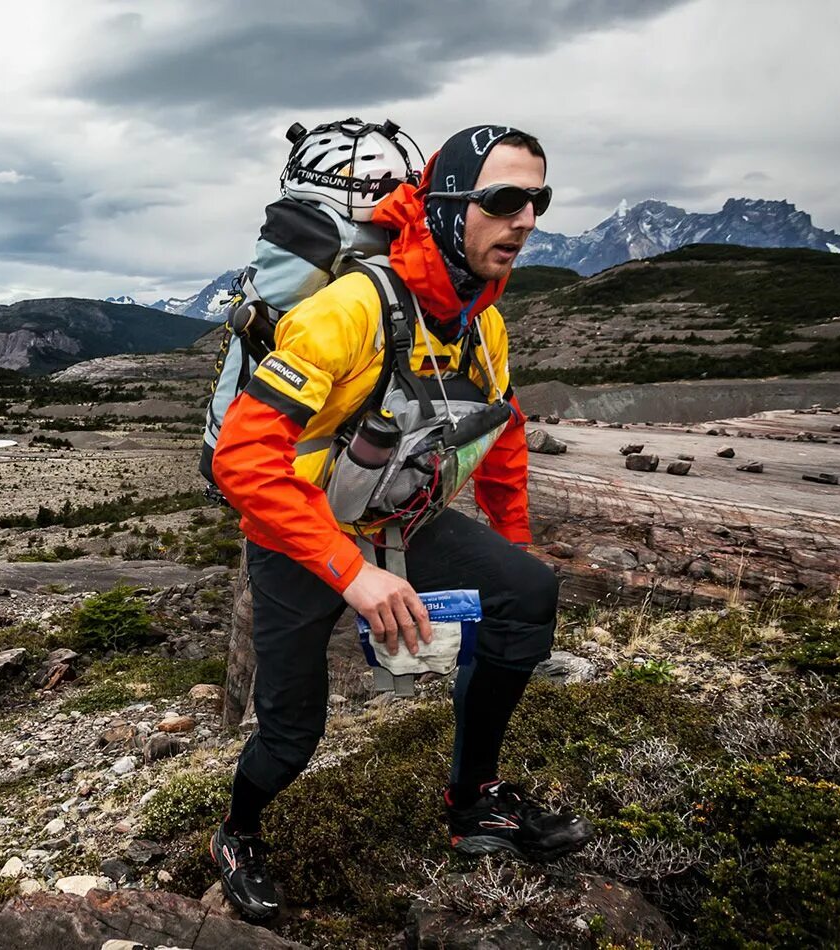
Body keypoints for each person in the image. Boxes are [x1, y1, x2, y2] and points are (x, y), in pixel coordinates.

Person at [207, 124, 593, 922]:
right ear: (449, 209)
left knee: (525, 595)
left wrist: (506, 543)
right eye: (504, 201)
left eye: (538, 202)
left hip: (399, 511)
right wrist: (353, 573)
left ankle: (475, 798)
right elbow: (242, 463)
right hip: (298, 528)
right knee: (291, 729)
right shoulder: (349, 312)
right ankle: (237, 832)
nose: (525, 220)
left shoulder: (480, 322)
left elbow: (505, 427)